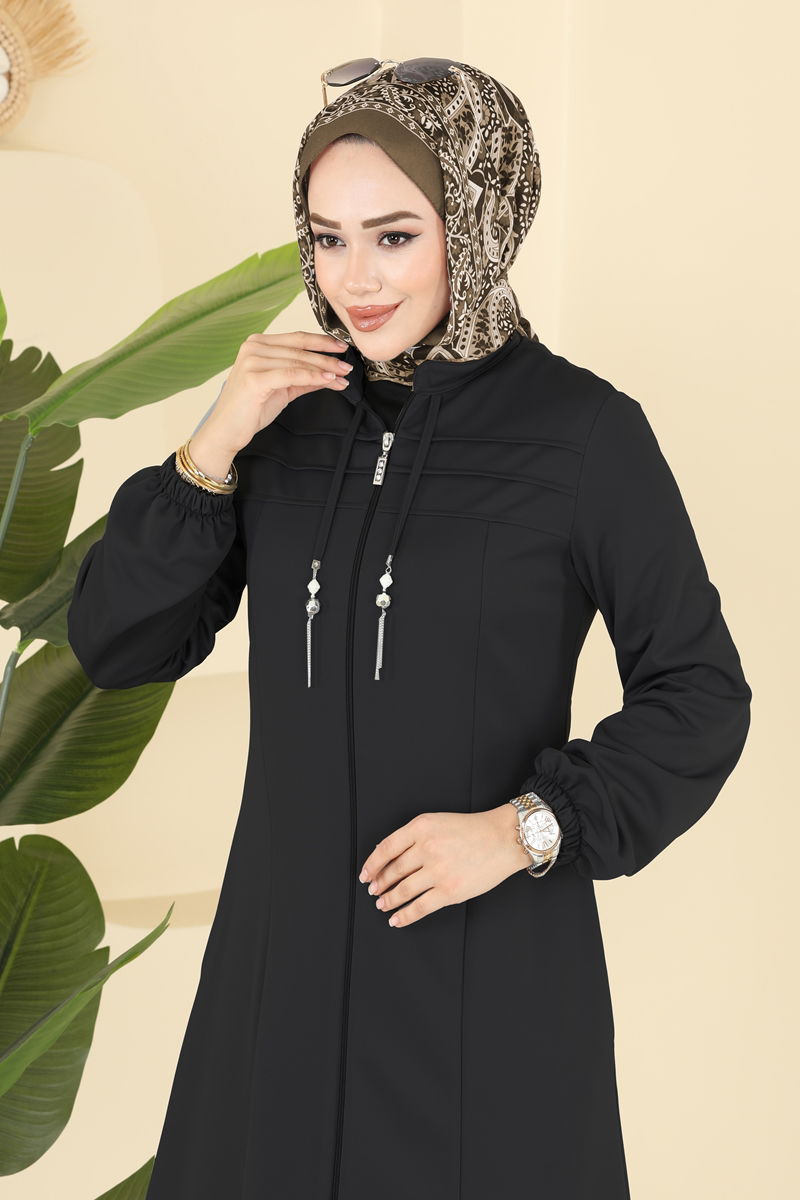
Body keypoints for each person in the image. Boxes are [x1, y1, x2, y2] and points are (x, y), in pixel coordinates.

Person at [67, 59, 751, 1200]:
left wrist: (524, 829)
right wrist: (215, 440)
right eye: (327, 239)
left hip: (481, 987)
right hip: (278, 981)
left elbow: (700, 692)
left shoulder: (585, 435)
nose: (355, 280)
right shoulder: (284, 425)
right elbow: (115, 642)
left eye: (393, 236)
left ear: (475, 222)